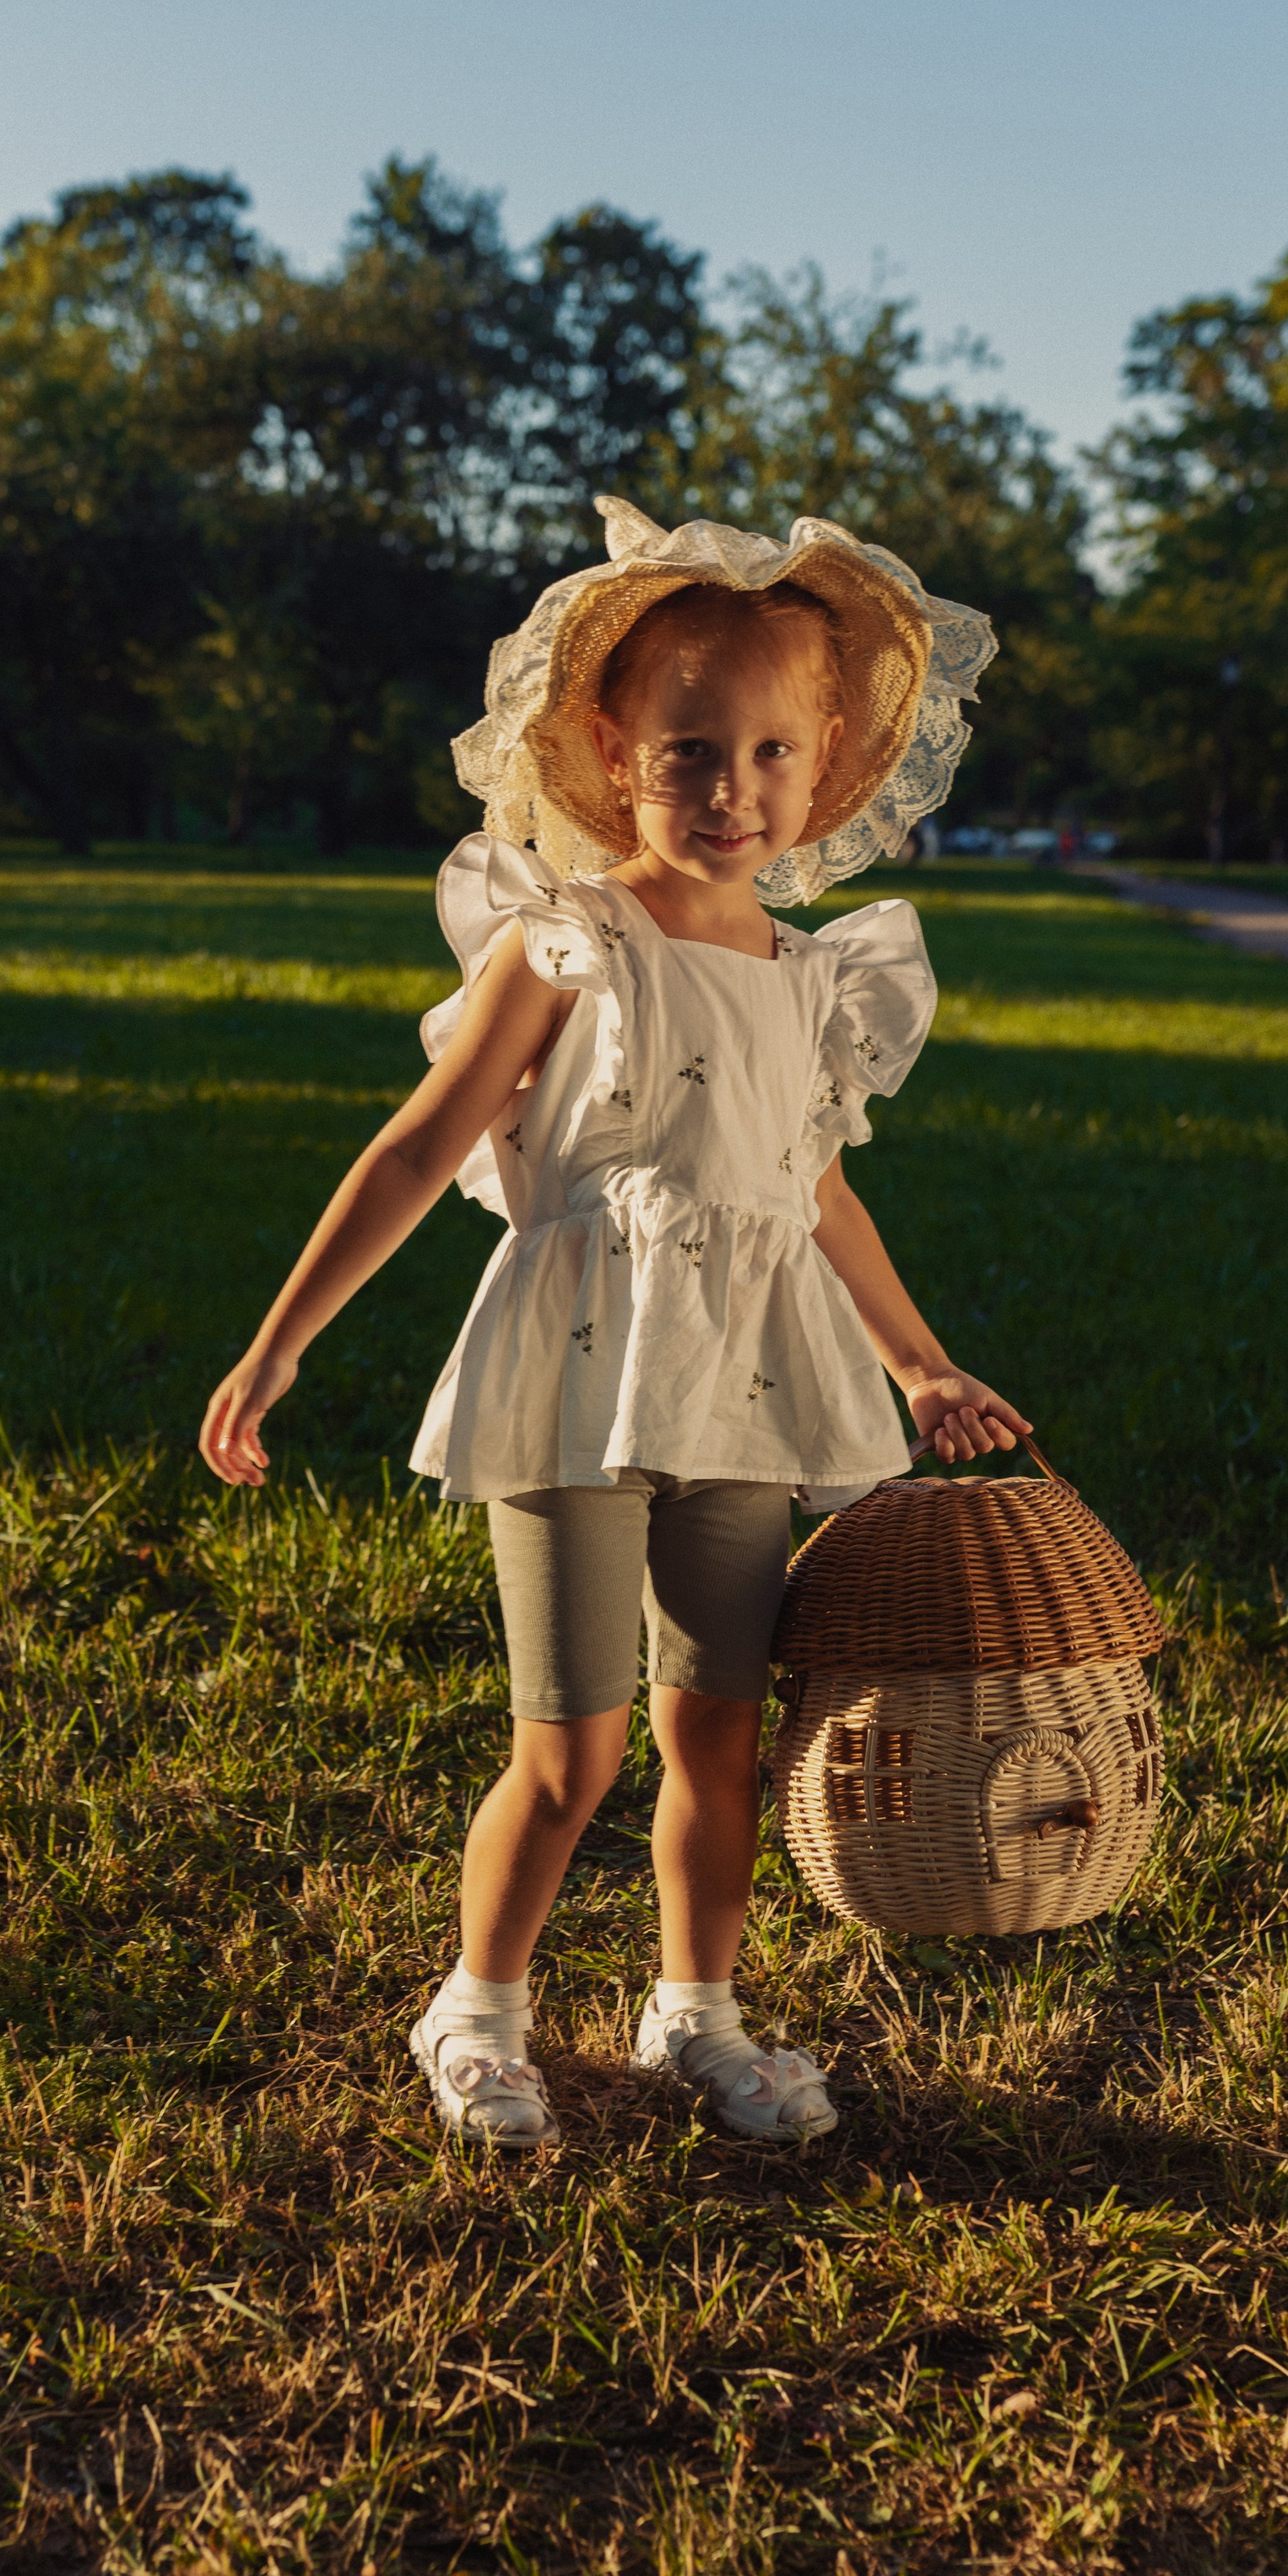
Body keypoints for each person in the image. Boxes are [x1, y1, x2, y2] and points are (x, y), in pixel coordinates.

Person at [199, 498, 1030, 2152]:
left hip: (742, 1381)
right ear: (612, 743)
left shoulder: (809, 977)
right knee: (571, 1749)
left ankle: (691, 2014)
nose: (731, 792)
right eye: (692, 750)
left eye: (770, 754)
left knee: (712, 1731)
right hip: (572, 1378)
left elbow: (809, 1197)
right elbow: (422, 1141)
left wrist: (916, 1360)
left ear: (826, 765)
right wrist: (279, 1340)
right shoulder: (568, 937)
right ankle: (479, 2008)